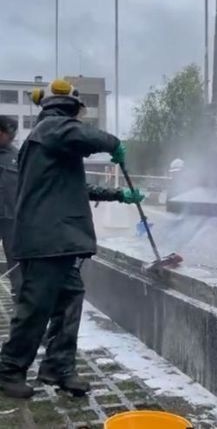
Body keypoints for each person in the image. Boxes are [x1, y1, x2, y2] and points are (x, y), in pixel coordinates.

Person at [0, 80, 144, 399]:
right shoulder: (50, 129)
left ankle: (58, 367)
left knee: (69, 301)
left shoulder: (51, 143)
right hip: (46, 240)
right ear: (67, 108)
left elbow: (74, 189)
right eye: (78, 112)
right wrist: (113, 142)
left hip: (58, 240)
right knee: (36, 307)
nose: (79, 119)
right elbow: (83, 135)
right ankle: (9, 370)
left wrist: (119, 195)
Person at [0, 116, 19, 298]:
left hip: (12, 217)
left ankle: (18, 295)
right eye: (8, 132)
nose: (11, 136)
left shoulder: (18, 156)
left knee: (15, 258)